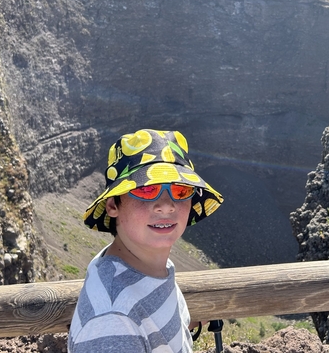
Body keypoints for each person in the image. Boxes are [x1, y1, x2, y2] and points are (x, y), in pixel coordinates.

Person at [68, 129, 224, 353]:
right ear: (113, 205)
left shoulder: (147, 264)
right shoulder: (113, 321)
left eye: (180, 190)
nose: (166, 205)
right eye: (147, 189)